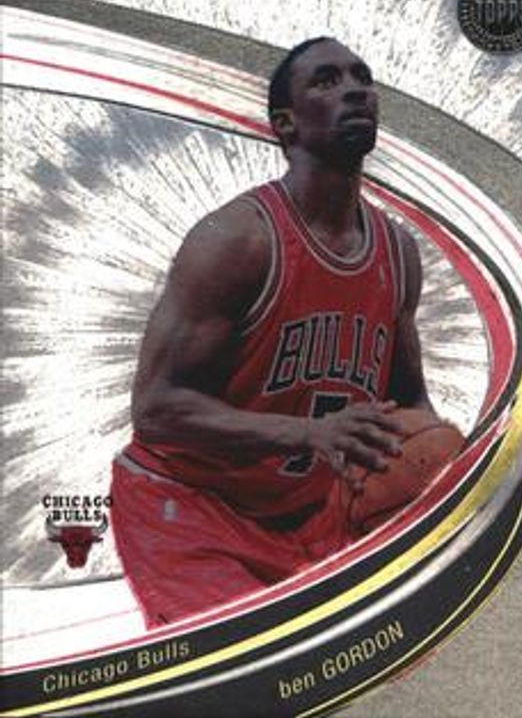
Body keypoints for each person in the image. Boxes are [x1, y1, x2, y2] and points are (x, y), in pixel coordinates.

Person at [110, 37, 438, 628]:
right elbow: (155, 410)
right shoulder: (236, 241)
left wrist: (441, 464)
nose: (355, 90)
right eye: (327, 81)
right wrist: (309, 433)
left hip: (306, 513)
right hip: (191, 506)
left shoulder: (397, 252)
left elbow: (410, 400)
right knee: (248, 667)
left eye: (362, 77)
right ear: (285, 124)